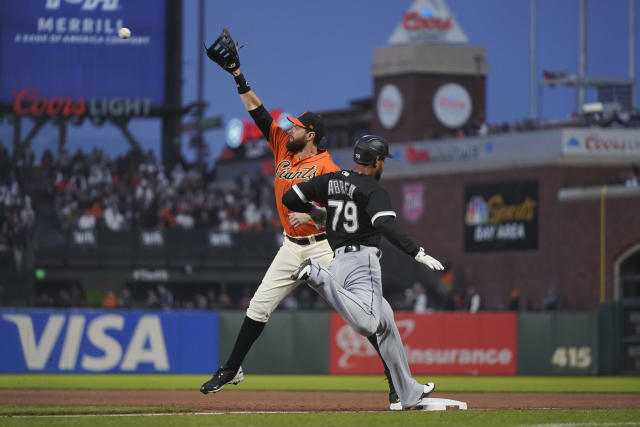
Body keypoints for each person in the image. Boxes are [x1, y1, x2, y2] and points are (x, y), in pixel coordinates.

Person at [199, 35, 399, 409]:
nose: (287, 129)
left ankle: (395, 378)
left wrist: (316, 213)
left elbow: (346, 215)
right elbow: (258, 112)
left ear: (311, 135)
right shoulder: (281, 147)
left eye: (295, 127)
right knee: (258, 307)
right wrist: (238, 75)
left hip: (324, 247)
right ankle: (232, 368)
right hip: (292, 247)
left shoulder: (328, 168)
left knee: (362, 312)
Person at [282, 135, 445, 410]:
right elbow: (387, 226)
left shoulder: (331, 179)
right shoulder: (373, 189)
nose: (384, 165)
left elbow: (290, 197)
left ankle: (409, 392)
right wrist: (417, 252)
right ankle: (317, 276)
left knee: (386, 323)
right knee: (368, 324)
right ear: (377, 161)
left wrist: (315, 212)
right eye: (383, 160)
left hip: (340, 262)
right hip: (361, 261)